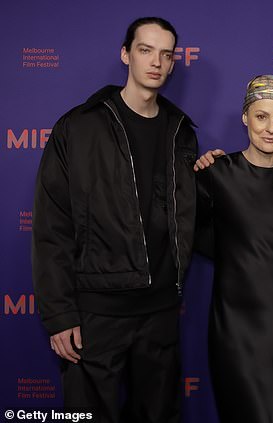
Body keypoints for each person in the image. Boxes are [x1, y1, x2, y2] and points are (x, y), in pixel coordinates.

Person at [31, 17, 198, 423]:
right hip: (96, 315)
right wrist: (60, 314)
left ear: (173, 62)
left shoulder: (182, 132)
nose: (156, 62)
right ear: (126, 54)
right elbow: (52, 228)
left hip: (159, 313)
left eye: (166, 54)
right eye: (145, 50)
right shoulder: (79, 127)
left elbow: (187, 217)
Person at [194, 75, 273, 423]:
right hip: (234, 327)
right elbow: (191, 234)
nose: (270, 128)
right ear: (245, 117)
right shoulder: (217, 172)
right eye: (261, 116)